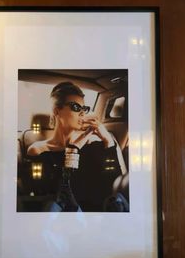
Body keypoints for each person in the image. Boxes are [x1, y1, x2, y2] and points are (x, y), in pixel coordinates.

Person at [26, 81, 125, 212]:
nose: (82, 113)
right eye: (76, 107)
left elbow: (113, 186)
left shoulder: (93, 144)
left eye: (84, 108)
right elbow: (52, 193)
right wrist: (74, 148)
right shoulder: (38, 150)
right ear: (57, 111)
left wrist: (107, 140)